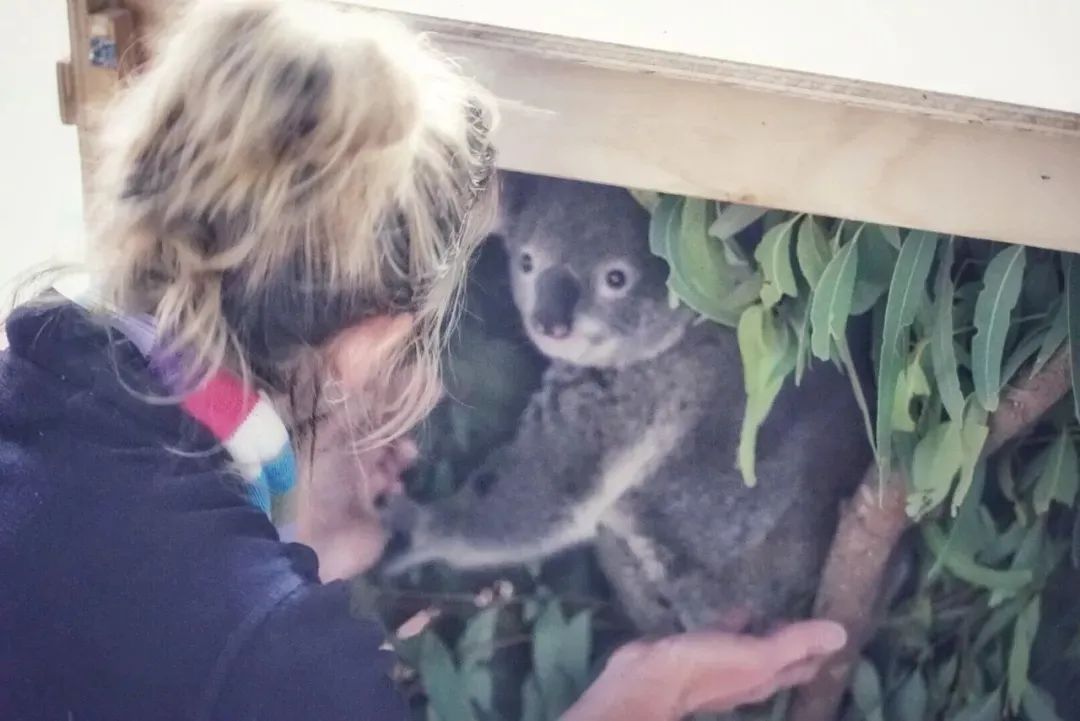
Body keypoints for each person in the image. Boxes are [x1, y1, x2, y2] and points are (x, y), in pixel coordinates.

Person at [0, 0, 847, 719]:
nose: (424, 407)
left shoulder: (38, 416)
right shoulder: (278, 658)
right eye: (418, 349)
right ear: (370, 341)